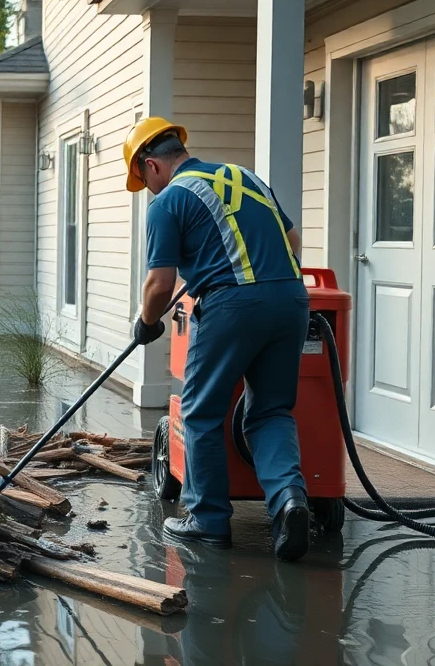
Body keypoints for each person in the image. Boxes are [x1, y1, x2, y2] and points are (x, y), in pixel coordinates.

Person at [124, 116, 312, 561]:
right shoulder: (245, 177)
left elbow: (159, 285)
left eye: (143, 180)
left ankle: (207, 521)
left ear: (151, 166)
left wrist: (147, 323)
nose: (148, 189)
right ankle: (289, 501)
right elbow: (293, 240)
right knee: (270, 410)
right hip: (292, 299)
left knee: (201, 411)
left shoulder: (169, 201)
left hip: (233, 305)